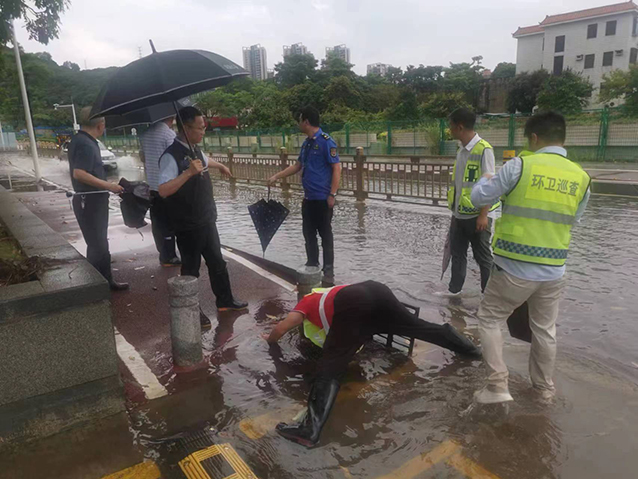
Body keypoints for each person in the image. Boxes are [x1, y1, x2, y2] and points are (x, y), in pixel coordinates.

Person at [265, 281, 481, 447]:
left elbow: (283, 328)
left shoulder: (305, 303)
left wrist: (268, 340)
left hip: (355, 304)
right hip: (377, 291)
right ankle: (471, 350)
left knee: (330, 366)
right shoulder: (326, 293)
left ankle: (309, 432)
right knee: (418, 327)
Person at [470, 111, 591, 404]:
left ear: (534, 138)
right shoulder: (582, 177)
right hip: (554, 271)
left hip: (513, 266)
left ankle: (498, 386)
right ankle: (544, 390)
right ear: (562, 138)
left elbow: (478, 198)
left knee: (489, 318)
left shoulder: (519, 166)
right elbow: (574, 220)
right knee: (544, 330)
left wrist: (487, 179)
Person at [158, 107, 247, 328]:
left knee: (217, 261)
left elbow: (206, 161)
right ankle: (191, 310)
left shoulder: (195, 150)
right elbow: (163, 190)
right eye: (200, 128)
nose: (203, 131)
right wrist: (188, 173)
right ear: (186, 129)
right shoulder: (171, 156)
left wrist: (222, 166)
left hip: (206, 218)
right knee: (191, 269)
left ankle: (225, 300)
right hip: (187, 224)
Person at [267, 107, 341, 284]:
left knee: (325, 235)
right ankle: (312, 264)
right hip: (308, 199)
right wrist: (277, 176)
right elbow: (297, 166)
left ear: (306, 122)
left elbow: (336, 168)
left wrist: (332, 194)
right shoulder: (307, 143)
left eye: (300, 120)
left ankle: (328, 270)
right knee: (308, 234)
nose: (299, 124)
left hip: (323, 199)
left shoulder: (326, 142)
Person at [440, 108, 499, 296]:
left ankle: (487, 295)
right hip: (459, 214)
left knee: (482, 257)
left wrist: (483, 216)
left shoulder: (484, 149)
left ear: (459, 127)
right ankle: (454, 291)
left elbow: (490, 184)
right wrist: (454, 212)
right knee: (457, 255)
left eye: (451, 126)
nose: (449, 130)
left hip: (477, 216)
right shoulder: (461, 150)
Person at [68, 107, 128, 291]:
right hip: (90, 202)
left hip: (91, 200)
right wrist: (109, 185)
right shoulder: (86, 144)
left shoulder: (81, 140)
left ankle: (104, 281)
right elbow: (79, 173)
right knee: (98, 245)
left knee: (98, 243)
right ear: (101, 125)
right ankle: (98, 286)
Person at [140, 116, 180, 267]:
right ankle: (170, 256)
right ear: (171, 116)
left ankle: (163, 254)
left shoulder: (145, 134)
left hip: (152, 186)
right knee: (170, 224)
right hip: (167, 186)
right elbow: (175, 157)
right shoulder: (169, 134)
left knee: (158, 223)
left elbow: (142, 157)